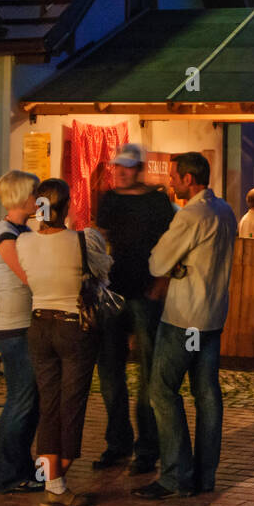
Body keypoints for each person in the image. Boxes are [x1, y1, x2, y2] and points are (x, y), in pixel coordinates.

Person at [135, 152, 238, 500]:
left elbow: (157, 261)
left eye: (175, 177)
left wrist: (173, 265)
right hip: (212, 316)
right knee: (207, 394)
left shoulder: (192, 215)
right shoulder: (224, 210)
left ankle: (176, 475)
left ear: (190, 180)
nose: (171, 182)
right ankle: (204, 475)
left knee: (162, 390)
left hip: (185, 318)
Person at [16, 180, 111, 506]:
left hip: (39, 324)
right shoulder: (84, 240)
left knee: (48, 407)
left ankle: (51, 483)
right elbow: (103, 274)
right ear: (68, 205)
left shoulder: (23, 243)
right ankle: (56, 485)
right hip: (74, 327)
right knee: (72, 406)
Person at [92, 144, 177, 477]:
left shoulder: (157, 200)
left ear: (140, 168)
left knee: (147, 376)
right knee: (110, 374)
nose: (122, 172)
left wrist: (163, 280)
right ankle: (118, 443)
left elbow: (173, 243)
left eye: (127, 167)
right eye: (118, 167)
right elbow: (100, 240)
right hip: (112, 293)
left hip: (145, 292)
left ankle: (147, 448)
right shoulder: (109, 200)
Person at [0, 170, 44, 493]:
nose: (38, 198)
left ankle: (20, 468)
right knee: (21, 400)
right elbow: (28, 276)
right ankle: (7, 475)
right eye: (34, 192)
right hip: (13, 326)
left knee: (29, 400)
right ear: (21, 195)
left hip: (23, 324)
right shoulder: (6, 235)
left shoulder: (21, 230)